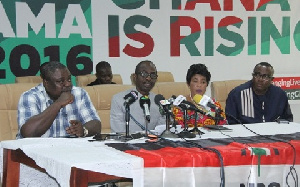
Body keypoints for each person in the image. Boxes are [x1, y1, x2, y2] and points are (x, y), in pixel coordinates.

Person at [17, 61, 101, 138]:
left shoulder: (79, 93)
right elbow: (28, 134)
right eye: (60, 81)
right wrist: (58, 104)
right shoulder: (30, 96)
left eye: (69, 79)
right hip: (37, 151)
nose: (68, 84)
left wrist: (83, 130)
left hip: (69, 151)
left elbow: (96, 124)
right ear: (46, 82)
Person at [225, 62, 293, 124]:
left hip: (273, 134)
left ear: (271, 80)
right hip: (246, 135)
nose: (260, 79)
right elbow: (231, 122)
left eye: (265, 77)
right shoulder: (237, 94)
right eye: (257, 75)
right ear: (253, 76)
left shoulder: (279, 95)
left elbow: (287, 119)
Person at [110, 60, 166, 133]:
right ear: (135, 77)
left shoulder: (158, 101)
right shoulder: (119, 100)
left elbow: (161, 130)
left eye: (153, 75)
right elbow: (118, 132)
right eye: (144, 74)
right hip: (128, 143)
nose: (148, 78)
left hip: (154, 142)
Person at [173, 63, 227, 128]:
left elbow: (223, 125)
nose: (199, 85)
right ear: (188, 84)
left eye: (203, 82)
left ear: (207, 85)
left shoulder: (214, 104)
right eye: (195, 81)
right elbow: (178, 128)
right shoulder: (180, 105)